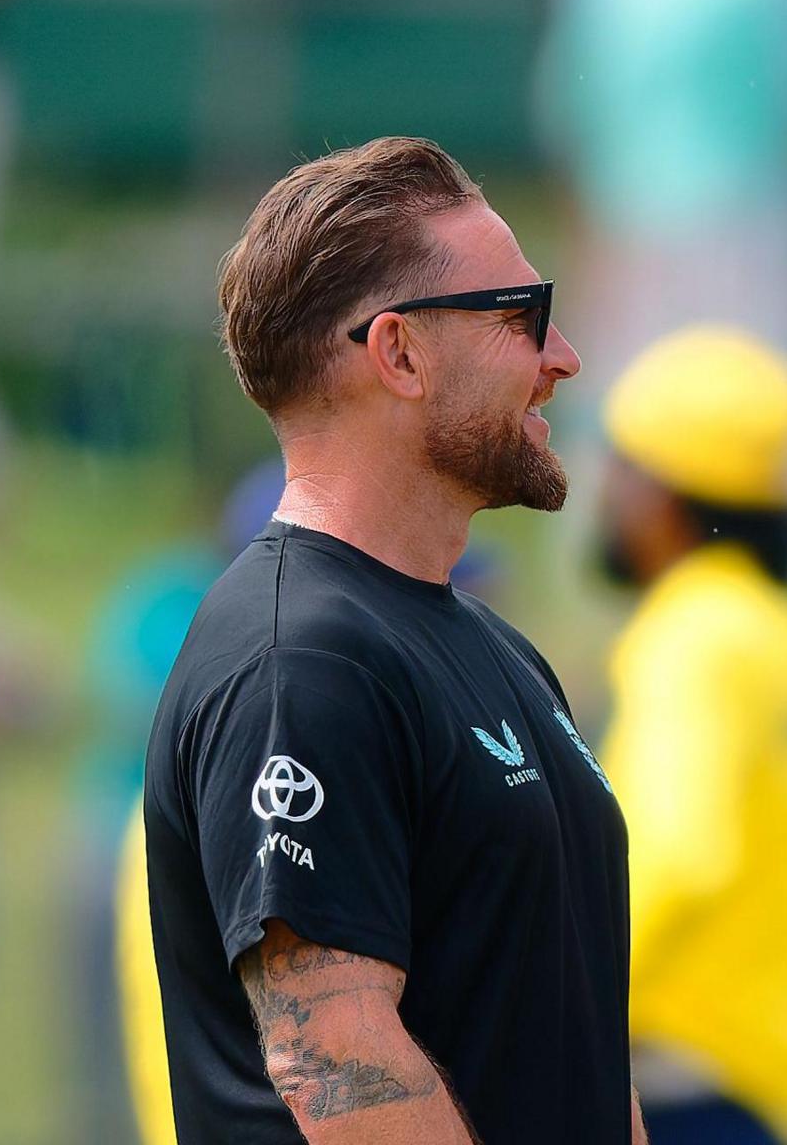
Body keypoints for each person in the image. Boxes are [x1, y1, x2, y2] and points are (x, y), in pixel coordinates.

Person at [142, 136, 638, 1145]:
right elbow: (335, 1061)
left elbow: (579, 1052)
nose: (562, 358)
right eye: (520, 314)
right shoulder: (303, 661)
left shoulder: (495, 650)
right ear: (400, 353)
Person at [594, 326, 787, 1145]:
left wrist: (555, 1000)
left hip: (682, 1088)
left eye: (618, 466)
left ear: (658, 495)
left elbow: (677, 855)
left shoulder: (694, 635)